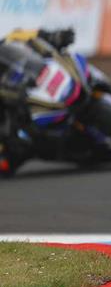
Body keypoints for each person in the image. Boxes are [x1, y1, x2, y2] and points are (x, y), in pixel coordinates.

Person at [0, 28, 76, 176]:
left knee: (65, 59)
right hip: (14, 131)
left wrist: (50, 36)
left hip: (34, 90)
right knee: (5, 164)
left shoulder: (4, 47)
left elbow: (19, 36)